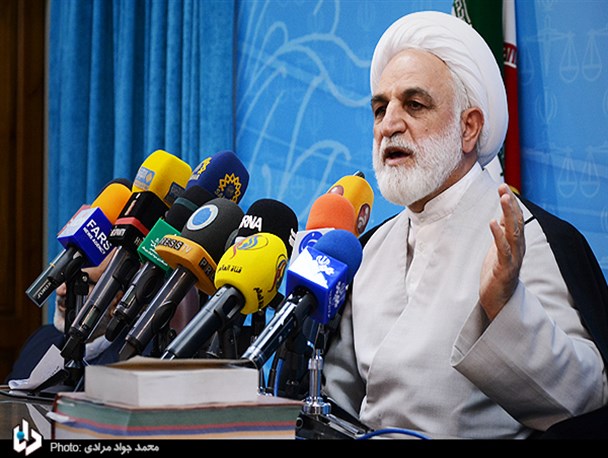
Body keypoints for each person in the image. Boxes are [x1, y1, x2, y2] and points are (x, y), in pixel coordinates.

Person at [322, 11, 608, 439]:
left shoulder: (528, 236)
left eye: (414, 105)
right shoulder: (370, 248)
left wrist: (505, 306)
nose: (389, 125)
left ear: (469, 128)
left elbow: (586, 400)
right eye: (380, 109)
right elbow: (334, 402)